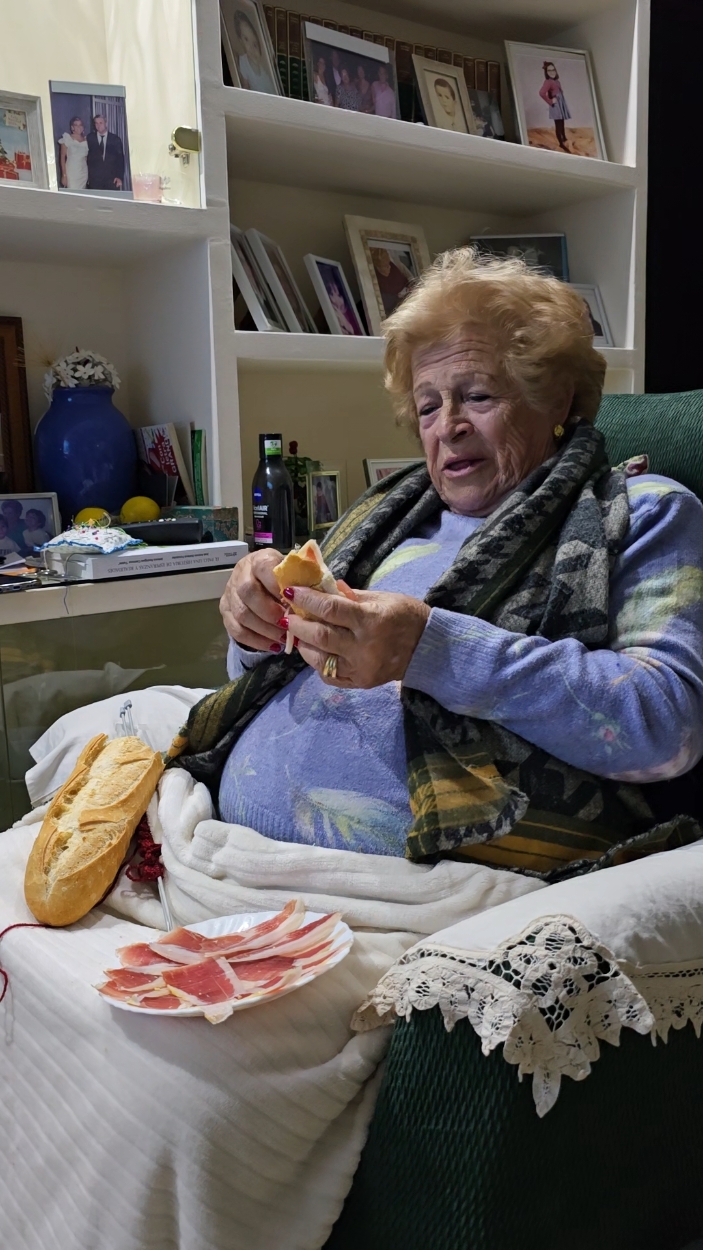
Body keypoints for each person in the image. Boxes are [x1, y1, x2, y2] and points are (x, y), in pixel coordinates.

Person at [203, 247, 703, 870]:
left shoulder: (642, 511)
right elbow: (260, 678)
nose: (449, 426)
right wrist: (255, 625)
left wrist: (431, 649)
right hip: (235, 854)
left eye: (478, 395)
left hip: (424, 890)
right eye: (429, 406)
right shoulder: (388, 514)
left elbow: (667, 725)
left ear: (558, 400)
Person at [233, 8, 276, 94]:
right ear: (240, 40)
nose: (251, 48)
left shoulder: (265, 76)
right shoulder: (243, 61)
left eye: (255, 44)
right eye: (246, 39)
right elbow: (245, 88)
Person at [370, 246, 416, 317]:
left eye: (389, 263)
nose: (389, 267)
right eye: (385, 266)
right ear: (378, 267)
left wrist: (411, 283)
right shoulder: (378, 285)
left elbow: (408, 275)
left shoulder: (393, 266)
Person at [86, 114, 125, 191]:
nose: (98, 125)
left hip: (112, 180)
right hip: (95, 180)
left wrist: (119, 177)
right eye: (96, 123)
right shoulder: (90, 138)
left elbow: (120, 160)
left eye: (101, 123)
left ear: (106, 123)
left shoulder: (115, 139)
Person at [539, 61, 571, 152]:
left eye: (553, 70)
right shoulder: (548, 82)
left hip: (561, 103)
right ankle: (561, 143)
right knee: (558, 124)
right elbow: (541, 93)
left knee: (562, 121)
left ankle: (564, 137)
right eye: (549, 70)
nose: (552, 72)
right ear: (546, 72)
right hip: (556, 105)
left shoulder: (557, 81)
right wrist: (550, 101)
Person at [58, 116, 88, 190]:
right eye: (76, 125)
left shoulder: (86, 140)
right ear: (72, 127)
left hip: (83, 173)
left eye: (80, 125)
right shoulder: (67, 138)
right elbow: (62, 158)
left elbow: (86, 158)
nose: (79, 127)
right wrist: (64, 175)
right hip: (71, 172)